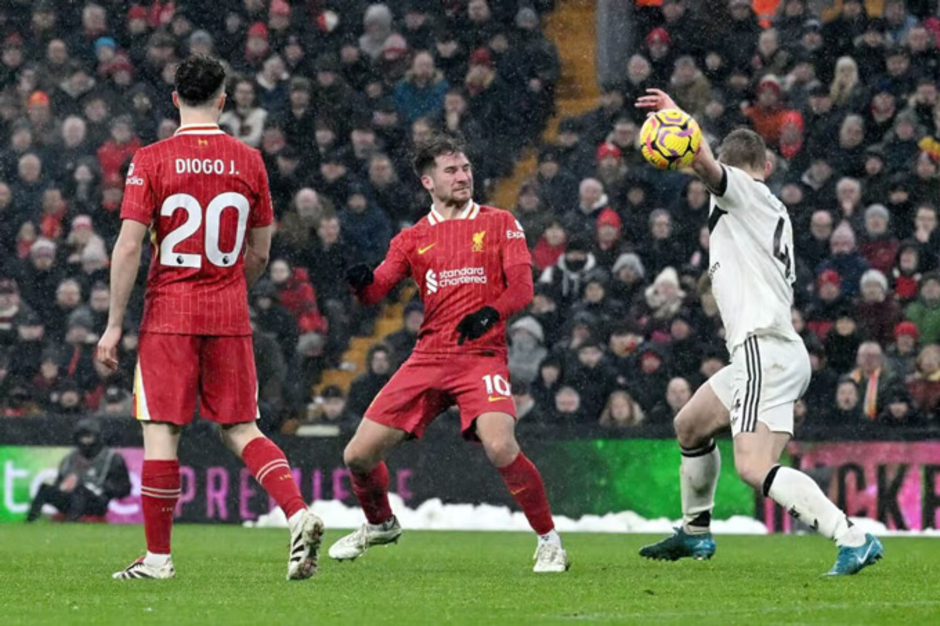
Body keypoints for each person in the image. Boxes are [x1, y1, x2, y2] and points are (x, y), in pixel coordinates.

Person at [635, 89, 882, 576]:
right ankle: (696, 531)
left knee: (752, 467)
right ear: (767, 166)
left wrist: (681, 121)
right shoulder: (765, 208)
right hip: (773, 350)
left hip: (761, 350)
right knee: (690, 424)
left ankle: (851, 536)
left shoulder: (743, 194)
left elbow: (707, 168)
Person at [94, 56, 322, 581]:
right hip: (228, 314)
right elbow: (261, 252)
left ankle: (157, 559)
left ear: (174, 99)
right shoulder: (250, 161)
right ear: (224, 100)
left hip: (169, 317)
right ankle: (297, 511)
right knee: (241, 427)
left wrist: (113, 324)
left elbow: (129, 247)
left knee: (161, 432)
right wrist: (228, 286)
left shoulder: (151, 160)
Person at [330, 133, 568, 573]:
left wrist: (489, 314)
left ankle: (549, 541)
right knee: (357, 456)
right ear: (427, 182)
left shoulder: (500, 222)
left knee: (500, 445)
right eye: (451, 171)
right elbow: (377, 289)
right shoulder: (412, 238)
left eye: (466, 169)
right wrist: (361, 283)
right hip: (429, 357)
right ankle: (380, 523)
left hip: (481, 356)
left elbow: (522, 289)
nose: (462, 177)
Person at [26, 418, 131, 522]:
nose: (85, 441)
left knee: (80, 492)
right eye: (82, 437)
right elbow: (59, 482)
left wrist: (102, 487)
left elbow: (125, 488)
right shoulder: (69, 459)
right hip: (69, 499)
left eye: (88, 437)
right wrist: (63, 485)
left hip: (96, 501)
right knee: (45, 489)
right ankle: (31, 521)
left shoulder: (111, 459)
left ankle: (72, 523)